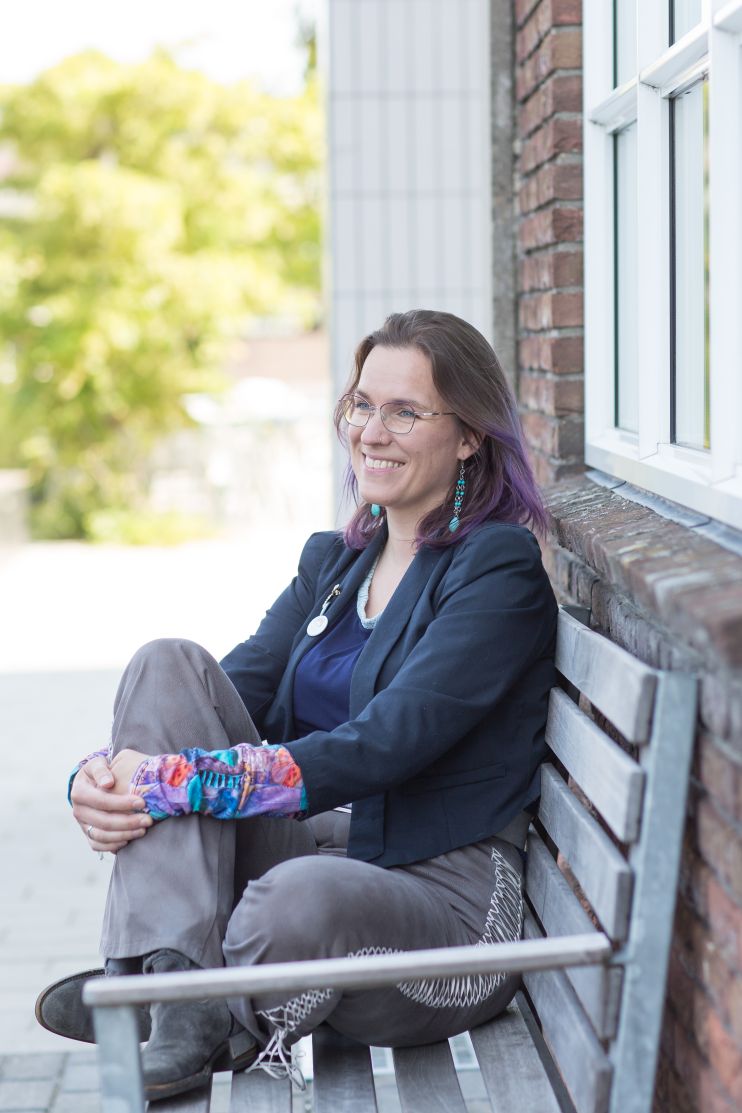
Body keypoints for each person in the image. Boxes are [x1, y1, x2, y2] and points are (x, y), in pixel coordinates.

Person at [36, 309, 557, 1103]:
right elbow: (216, 695)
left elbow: (386, 742)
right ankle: (176, 987)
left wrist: (166, 783)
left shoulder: (496, 568)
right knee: (166, 663)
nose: (371, 432)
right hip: (318, 850)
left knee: (297, 898)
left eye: (404, 411)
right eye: (361, 404)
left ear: (468, 436)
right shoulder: (337, 563)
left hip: (442, 902)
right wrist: (96, 777)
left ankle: (165, 990)